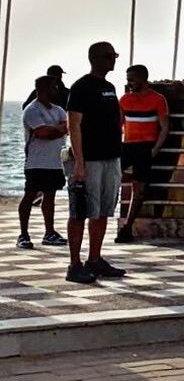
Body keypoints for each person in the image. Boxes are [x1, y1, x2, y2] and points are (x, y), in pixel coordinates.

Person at [64, 41, 126, 284]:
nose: (113, 60)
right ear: (96, 58)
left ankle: (95, 259)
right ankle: (74, 264)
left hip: (111, 157)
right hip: (89, 159)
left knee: (102, 212)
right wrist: (79, 162)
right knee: (81, 211)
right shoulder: (81, 87)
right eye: (109, 56)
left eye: (114, 56)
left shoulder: (110, 87)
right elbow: (74, 125)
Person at [116, 64, 169, 243]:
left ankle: (127, 226)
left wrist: (155, 149)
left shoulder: (157, 99)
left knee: (138, 189)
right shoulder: (124, 99)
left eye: (132, 79)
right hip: (126, 146)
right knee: (112, 178)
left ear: (143, 79)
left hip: (145, 147)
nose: (129, 83)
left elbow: (164, 127)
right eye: (127, 79)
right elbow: (118, 125)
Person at [18, 75, 69, 249]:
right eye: (54, 86)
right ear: (43, 88)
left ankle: (50, 232)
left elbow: (65, 128)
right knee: (30, 195)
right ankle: (23, 234)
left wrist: (54, 129)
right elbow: (42, 133)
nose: (57, 89)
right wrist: (57, 129)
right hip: (36, 161)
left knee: (50, 196)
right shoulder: (32, 110)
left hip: (55, 161)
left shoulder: (59, 110)